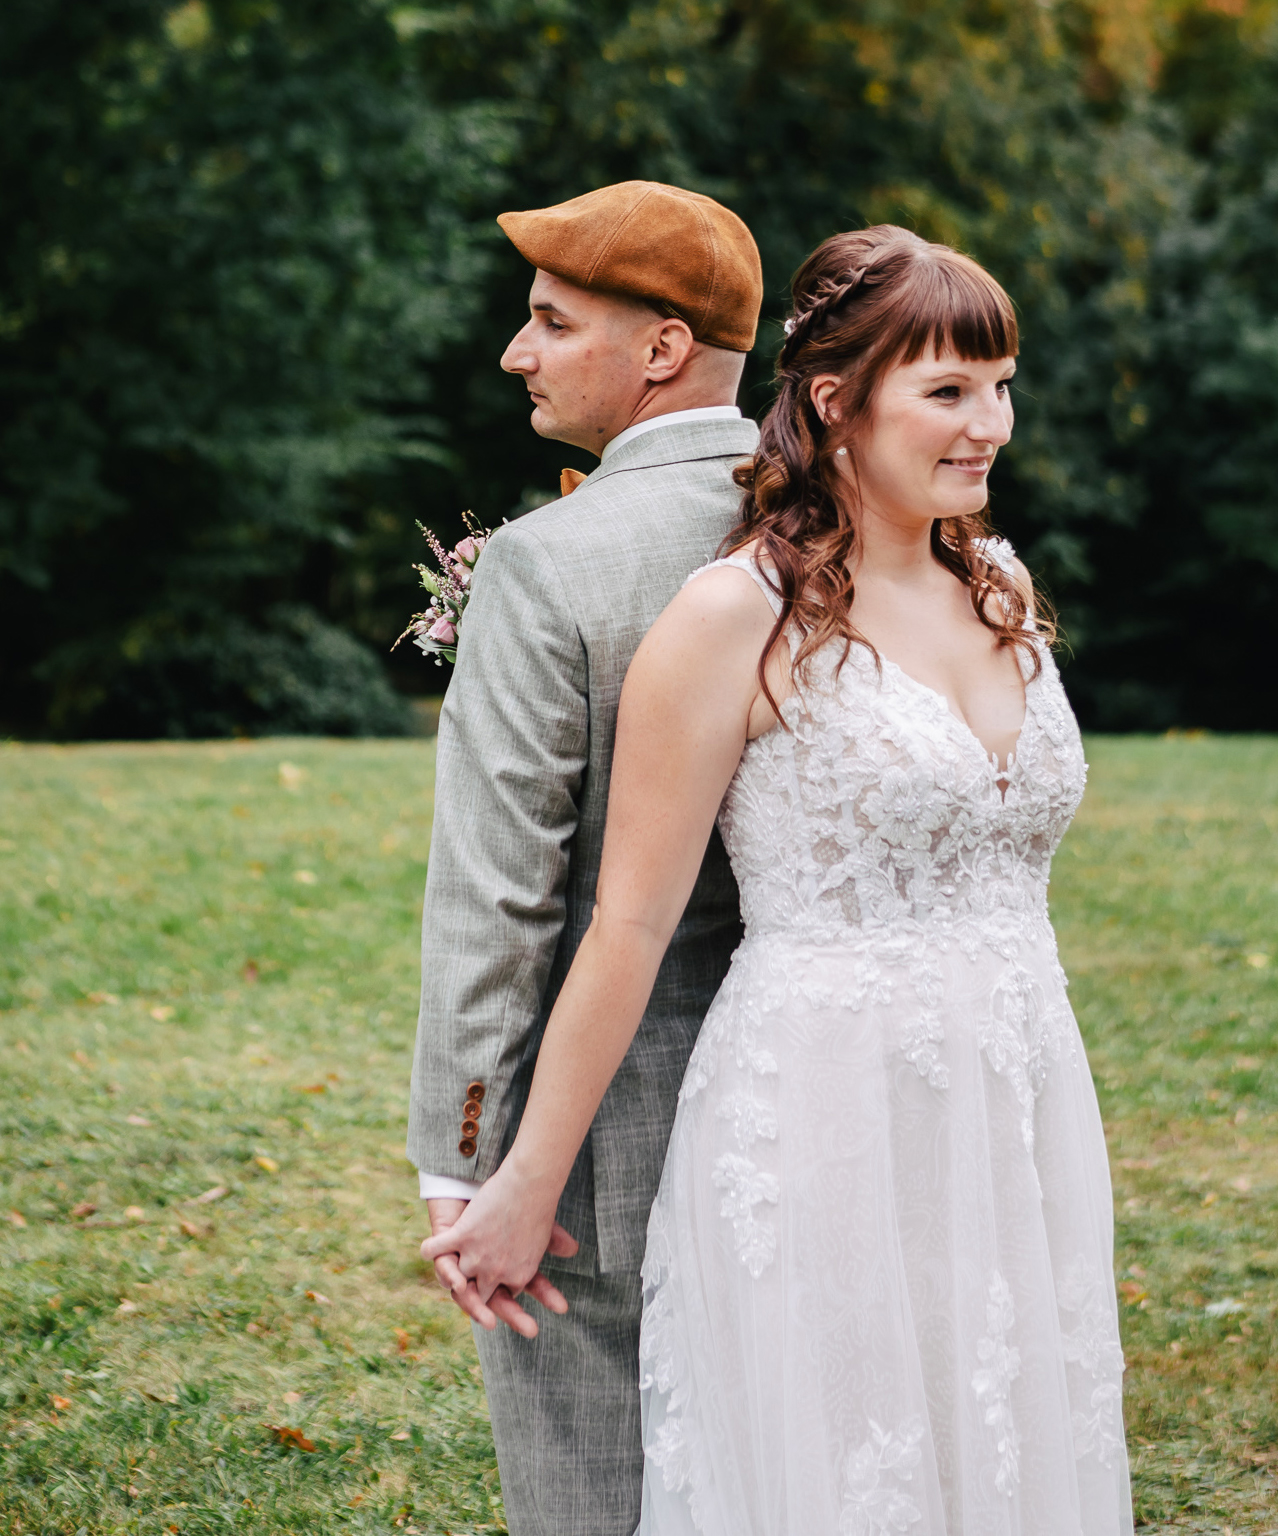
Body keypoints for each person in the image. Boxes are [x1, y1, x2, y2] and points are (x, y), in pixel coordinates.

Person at [426, 224, 1135, 1534]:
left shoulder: (1001, 587)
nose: (994, 423)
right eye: (951, 390)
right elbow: (627, 923)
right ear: (832, 399)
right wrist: (517, 1177)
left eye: (1002, 383)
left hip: (1013, 1097)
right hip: (822, 1112)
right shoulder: (733, 615)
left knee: (1000, 1438)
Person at [407, 181, 762, 1536]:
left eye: (552, 322)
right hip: (820, 1102)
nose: (517, 350)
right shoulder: (848, 531)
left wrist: (467, 1156)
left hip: (595, 1148)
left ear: (661, 348)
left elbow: (499, 896)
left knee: (590, 1490)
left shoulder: (553, 567)